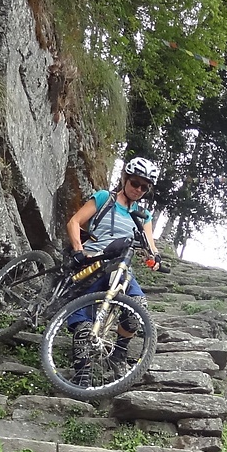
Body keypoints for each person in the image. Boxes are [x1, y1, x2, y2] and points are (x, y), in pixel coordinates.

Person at [62, 157, 161, 386]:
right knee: (84, 323)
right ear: (125, 179)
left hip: (120, 268)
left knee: (138, 309)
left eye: (144, 187)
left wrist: (155, 258)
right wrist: (78, 249)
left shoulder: (143, 216)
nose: (138, 190)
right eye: (135, 183)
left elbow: (150, 245)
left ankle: (118, 355)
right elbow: (75, 222)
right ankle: (82, 374)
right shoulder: (104, 198)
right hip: (93, 261)